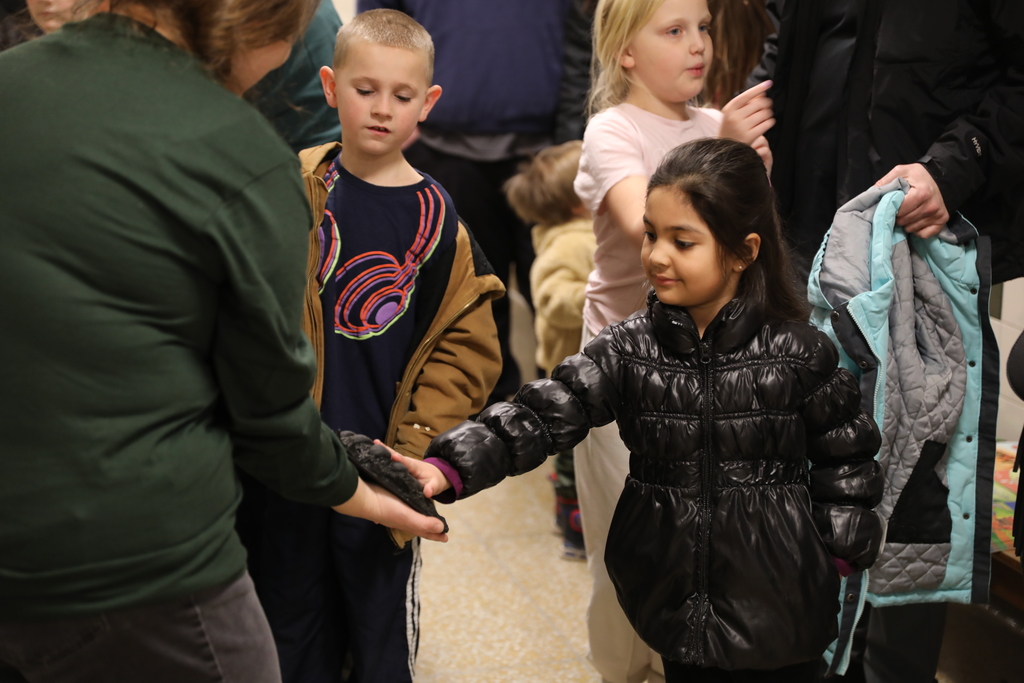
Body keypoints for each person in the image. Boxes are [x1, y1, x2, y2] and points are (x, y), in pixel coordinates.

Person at [0, 2, 446, 682]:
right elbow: (267, 414)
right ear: (269, 26)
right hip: (136, 569)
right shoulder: (248, 162)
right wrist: (352, 487)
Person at [407, 137, 886, 683]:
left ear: (743, 251)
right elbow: (545, 411)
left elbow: (846, 452)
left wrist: (839, 548)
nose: (657, 255)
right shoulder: (628, 349)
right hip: (675, 596)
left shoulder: (799, 352)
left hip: (782, 593)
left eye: (684, 242)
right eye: (652, 235)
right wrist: (452, 465)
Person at [749, 2, 1024, 680]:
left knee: (907, 514)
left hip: (922, 246)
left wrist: (957, 163)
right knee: (785, 494)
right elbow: (790, 49)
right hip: (801, 246)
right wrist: (748, 127)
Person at [245, 10, 504, 683]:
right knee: (287, 616)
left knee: (374, 625)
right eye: (365, 90)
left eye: (402, 94)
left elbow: (465, 347)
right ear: (329, 86)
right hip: (290, 462)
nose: (382, 109)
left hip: (379, 465)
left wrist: (415, 444)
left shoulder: (439, 218)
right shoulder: (292, 183)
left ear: (429, 102)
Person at [570, 0, 775, 679]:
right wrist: (730, 154)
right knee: (626, 548)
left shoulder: (719, 124)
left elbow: (749, 247)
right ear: (626, 51)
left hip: (708, 372)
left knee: (699, 545)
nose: (699, 46)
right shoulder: (612, 130)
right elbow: (649, 234)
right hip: (621, 378)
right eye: (675, 31)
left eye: (704, 29)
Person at [356, 0, 576, 405]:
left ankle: (567, 418)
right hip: (445, 148)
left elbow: (586, 34)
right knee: (471, 300)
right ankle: (488, 421)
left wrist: (574, 134)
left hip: (550, 151)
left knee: (560, 291)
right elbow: (376, 26)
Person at [504, 140, 596, 560]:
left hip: (583, 364)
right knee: (573, 450)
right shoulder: (568, 243)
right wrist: (594, 293)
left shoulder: (585, 232)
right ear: (578, 203)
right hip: (571, 367)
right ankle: (573, 527)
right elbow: (552, 296)